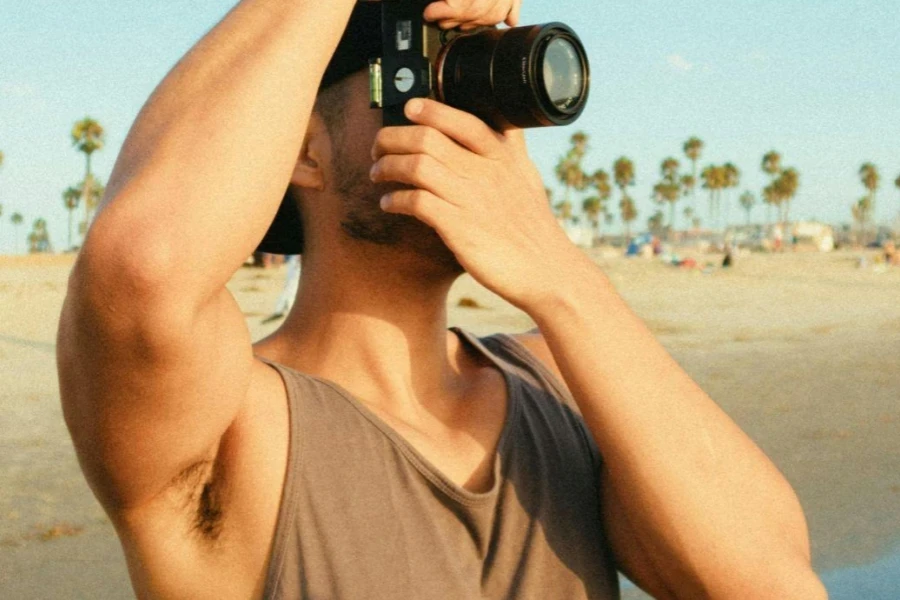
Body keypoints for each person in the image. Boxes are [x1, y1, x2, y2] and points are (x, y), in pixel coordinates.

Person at [56, 1, 825, 598]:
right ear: (301, 148)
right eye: (425, 84)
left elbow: (771, 585)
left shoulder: (562, 378)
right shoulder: (233, 423)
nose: (470, 128)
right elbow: (145, 265)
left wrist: (560, 274)